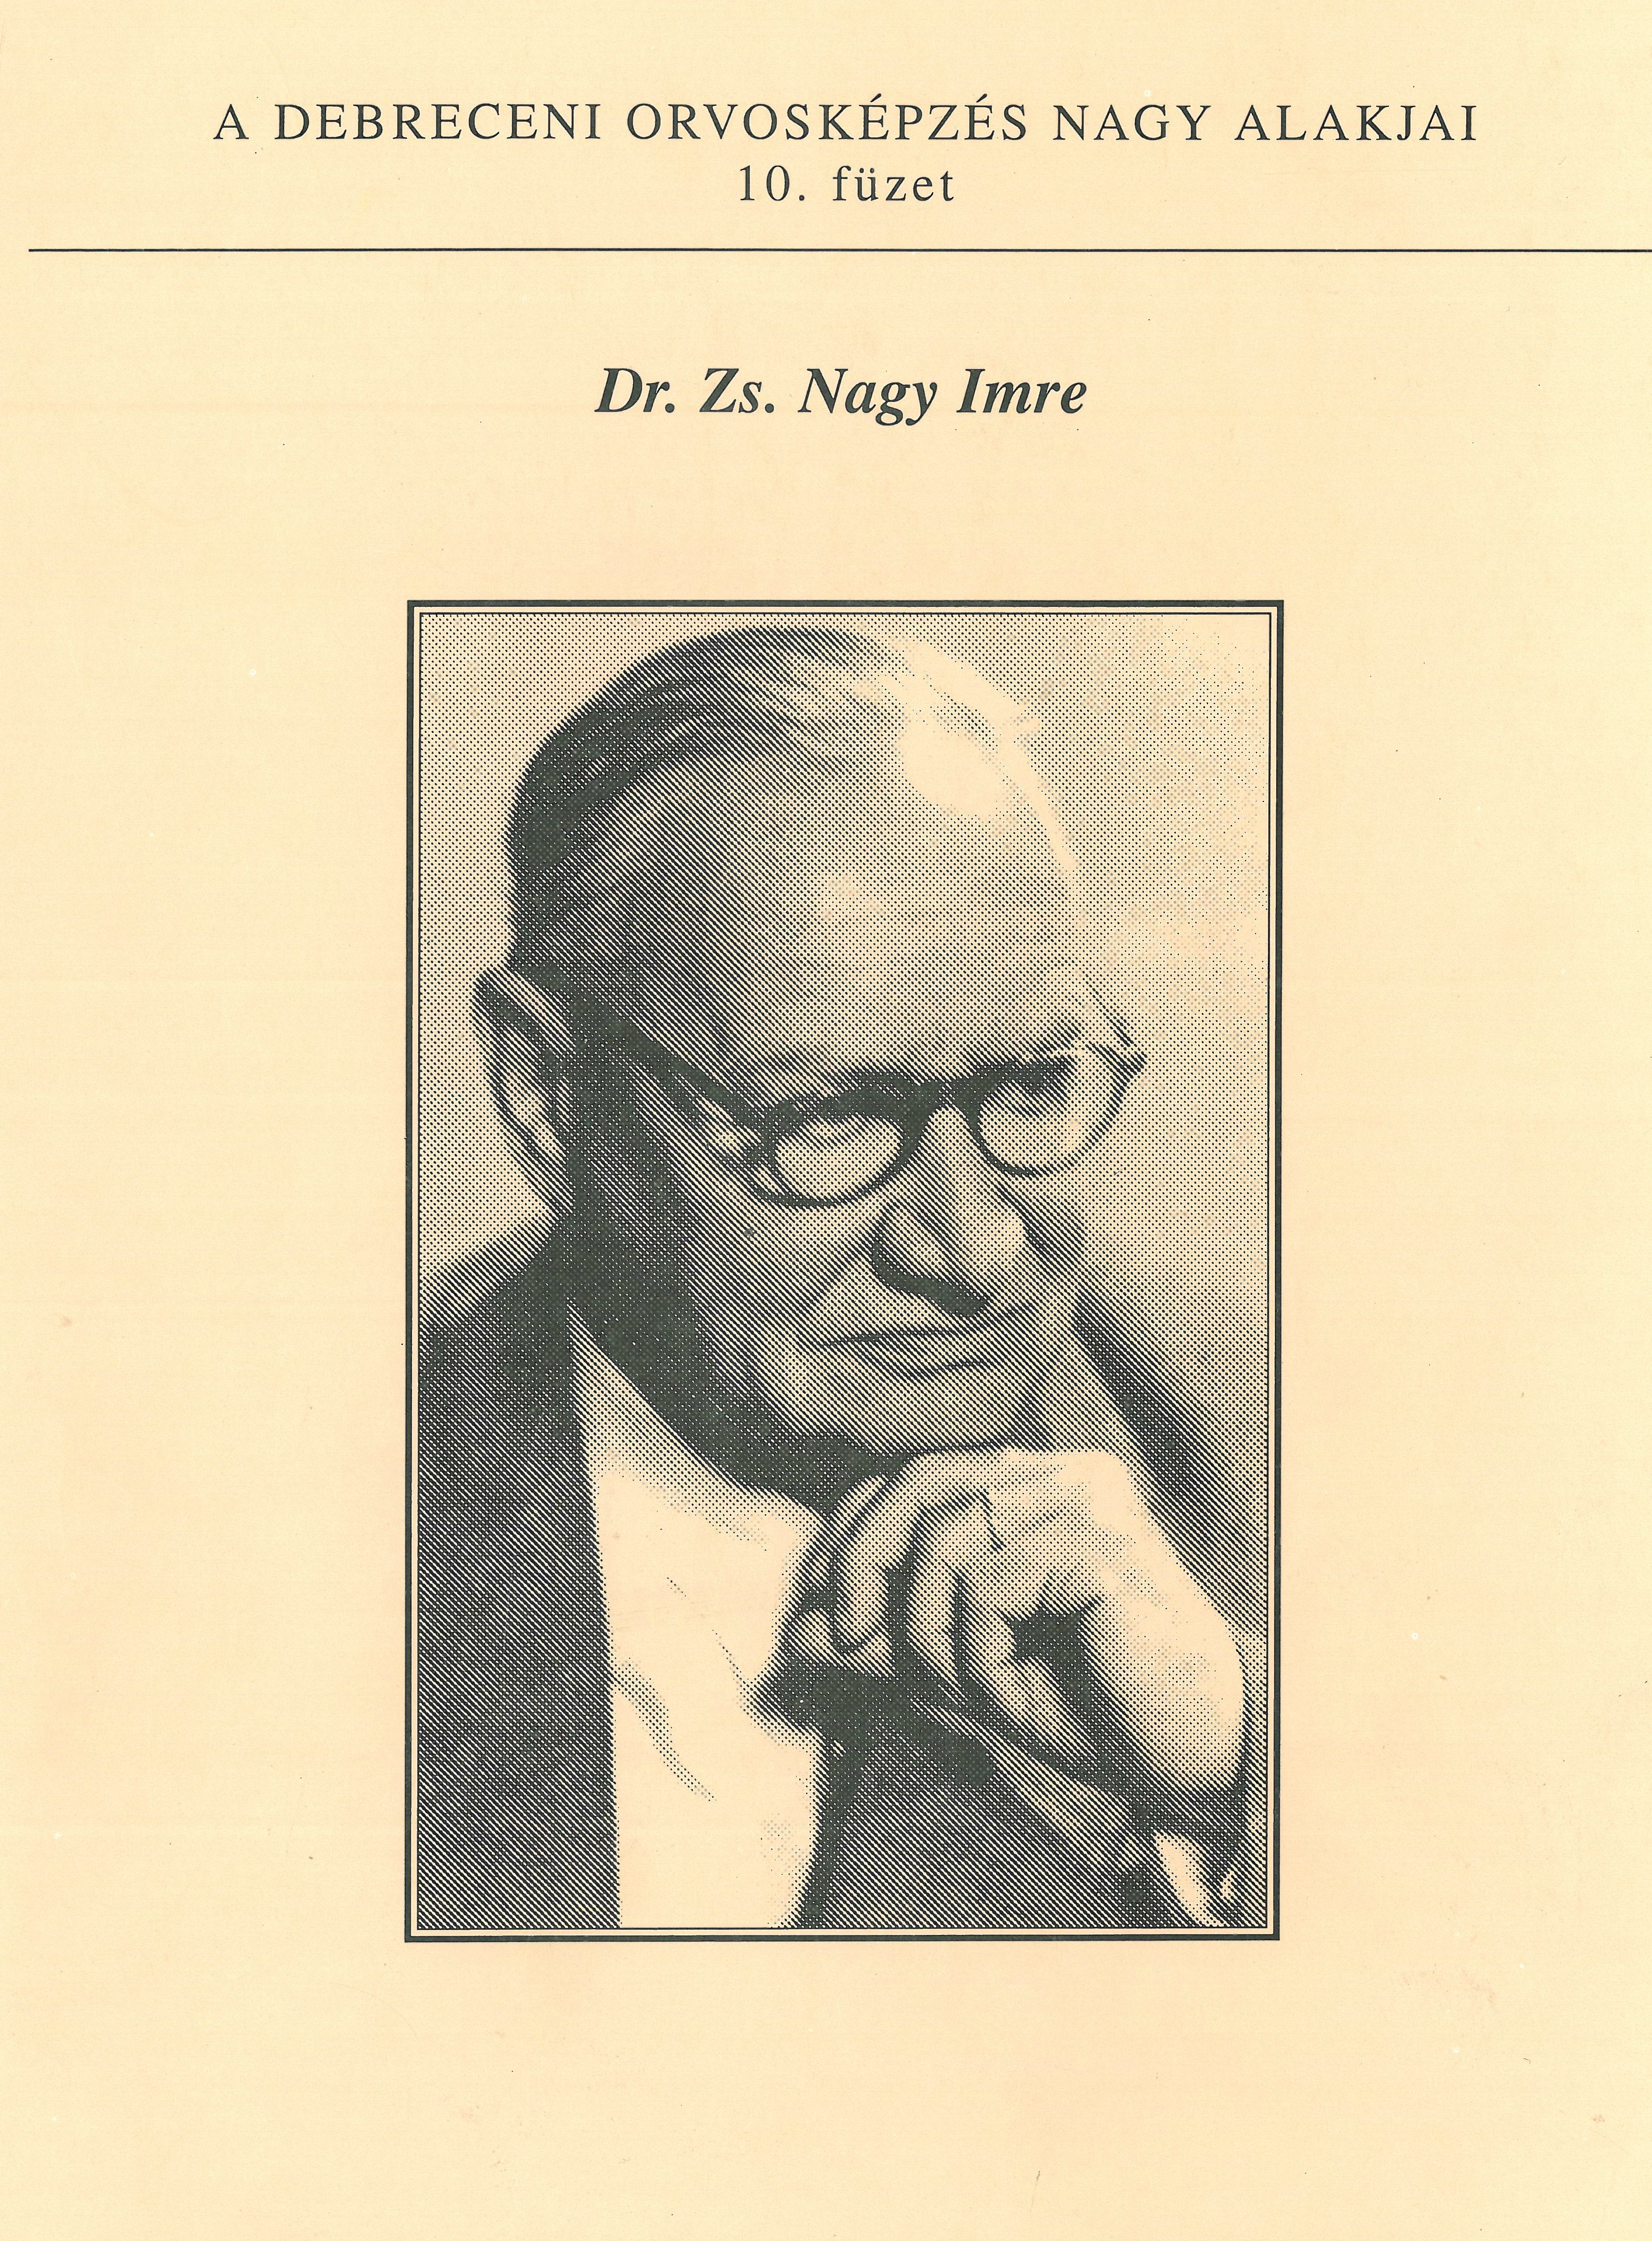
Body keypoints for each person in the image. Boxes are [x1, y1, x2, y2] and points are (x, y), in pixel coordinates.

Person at [416, 623, 1260, 1932]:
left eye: (1033, 1083)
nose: (972, 1252)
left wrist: (1225, 1787)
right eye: (831, 1117)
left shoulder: (1226, 1460)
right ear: (547, 1092)